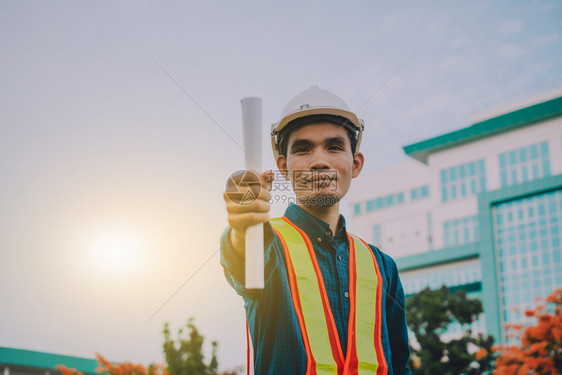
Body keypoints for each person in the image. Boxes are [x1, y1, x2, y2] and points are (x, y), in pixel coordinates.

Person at [221, 86, 411, 374]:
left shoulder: (383, 267)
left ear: (355, 164)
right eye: (303, 148)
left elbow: (400, 366)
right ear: (284, 167)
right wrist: (244, 228)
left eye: (334, 147)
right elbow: (242, 257)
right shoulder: (266, 241)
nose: (319, 161)